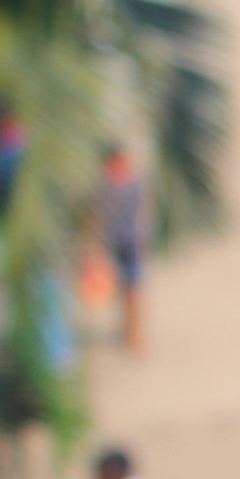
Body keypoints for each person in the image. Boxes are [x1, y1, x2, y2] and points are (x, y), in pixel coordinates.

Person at [98, 145, 148, 353]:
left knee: (132, 289)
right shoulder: (110, 184)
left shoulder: (129, 183)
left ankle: (134, 333)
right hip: (119, 241)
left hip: (131, 242)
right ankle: (129, 331)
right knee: (125, 288)